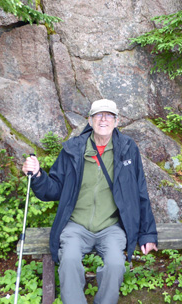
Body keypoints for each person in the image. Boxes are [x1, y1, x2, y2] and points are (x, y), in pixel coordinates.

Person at [22, 98, 158, 304]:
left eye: (109, 115)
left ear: (116, 120)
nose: (103, 119)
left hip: (111, 226)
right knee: (68, 260)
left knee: (115, 264)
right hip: (76, 225)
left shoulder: (128, 148)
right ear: (90, 120)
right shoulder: (73, 150)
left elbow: (139, 192)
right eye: (98, 115)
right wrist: (38, 175)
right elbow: (54, 190)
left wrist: (147, 233)